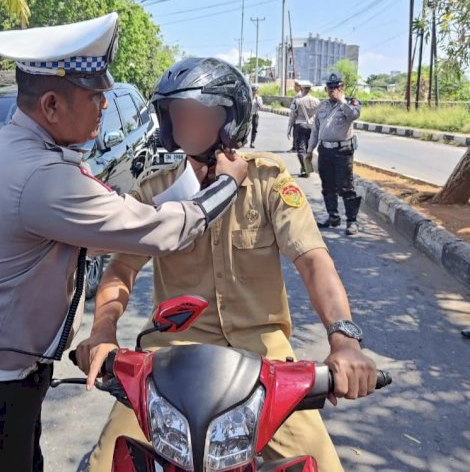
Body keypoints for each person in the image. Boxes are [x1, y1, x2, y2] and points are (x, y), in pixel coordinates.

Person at [0, 13, 249, 472]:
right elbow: (162, 231)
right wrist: (227, 185)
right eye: (95, 96)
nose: (104, 105)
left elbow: (100, 225)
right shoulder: (40, 176)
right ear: (52, 105)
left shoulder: (26, 148)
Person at [75, 58, 377, 472]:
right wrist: (103, 332)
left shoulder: (267, 180)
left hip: (264, 362)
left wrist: (344, 340)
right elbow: (121, 270)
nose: (185, 126)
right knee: (105, 463)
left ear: (230, 120)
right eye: (177, 116)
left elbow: (313, 261)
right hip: (170, 360)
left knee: (323, 464)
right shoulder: (156, 190)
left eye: (198, 116)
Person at [306, 73, 362, 236]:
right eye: (330, 88)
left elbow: (353, 115)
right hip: (325, 150)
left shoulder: (350, 103)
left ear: (341, 87)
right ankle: (333, 217)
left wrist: (341, 100)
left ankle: (352, 221)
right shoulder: (322, 106)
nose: (332, 91)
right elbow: (316, 130)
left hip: (342, 151)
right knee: (328, 185)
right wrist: (310, 150)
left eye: (336, 87)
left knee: (346, 186)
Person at [287, 80, 319, 177]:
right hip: (312, 126)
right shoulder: (317, 101)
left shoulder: (297, 101)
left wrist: (289, 128)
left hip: (300, 125)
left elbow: (292, 115)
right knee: (309, 149)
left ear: (302, 88)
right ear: (311, 89)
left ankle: (306, 169)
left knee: (300, 149)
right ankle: (305, 168)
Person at [248, 83, 264, 148]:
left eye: (255, 90)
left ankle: (252, 142)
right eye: (253, 90)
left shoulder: (259, 98)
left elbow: (261, 107)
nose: (254, 91)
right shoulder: (248, 97)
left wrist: (257, 100)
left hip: (255, 115)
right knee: (247, 129)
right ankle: (244, 140)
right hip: (248, 115)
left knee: (254, 129)